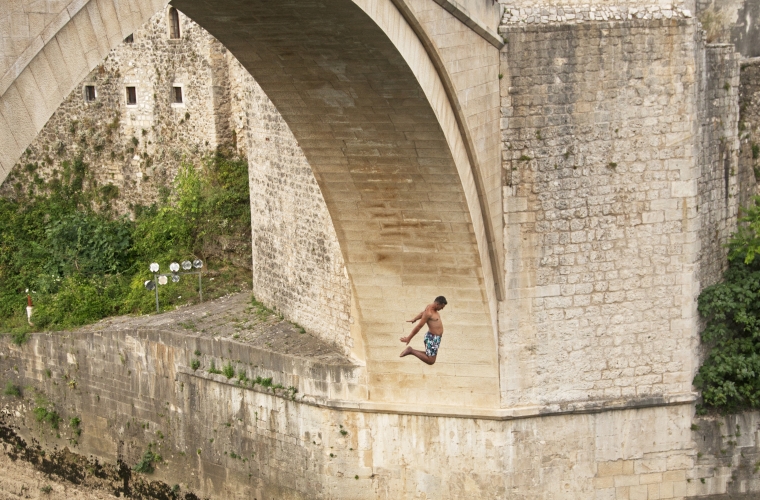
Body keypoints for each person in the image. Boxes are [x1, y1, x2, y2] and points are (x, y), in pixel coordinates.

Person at [399, 296, 447, 365]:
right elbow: (419, 327)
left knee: (431, 358)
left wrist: (415, 318)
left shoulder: (430, 307)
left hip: (436, 338)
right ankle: (411, 351)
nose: (442, 309)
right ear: (437, 304)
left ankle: (411, 351)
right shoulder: (429, 312)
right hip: (432, 338)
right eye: (442, 307)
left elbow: (422, 313)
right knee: (431, 361)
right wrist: (409, 338)